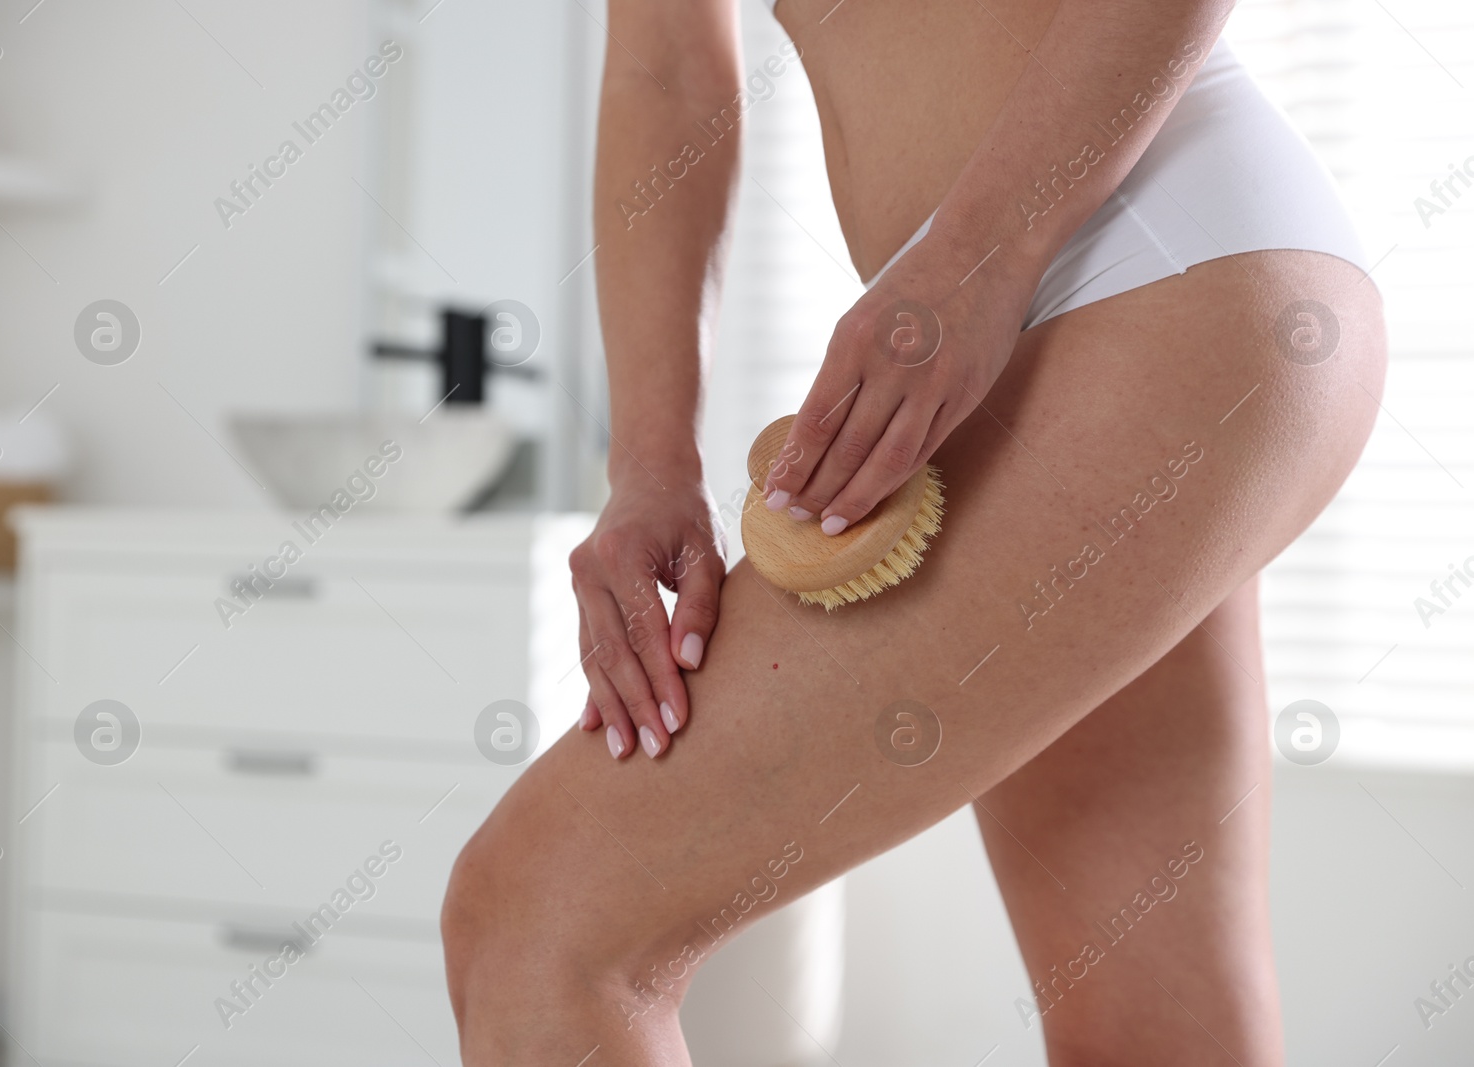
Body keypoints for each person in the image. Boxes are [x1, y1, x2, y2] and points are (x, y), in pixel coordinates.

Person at [443, 0, 1386, 1061]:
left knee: (541, 916)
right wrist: (649, 462)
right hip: (1067, 313)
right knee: (1148, 1024)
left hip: (1151, 259)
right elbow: (664, 73)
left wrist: (977, 259)